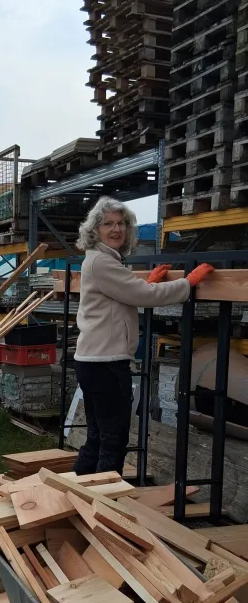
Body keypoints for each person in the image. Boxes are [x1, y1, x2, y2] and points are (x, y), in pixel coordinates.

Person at [73, 196, 214, 476]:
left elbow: (122, 296)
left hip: (93, 362)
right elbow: (144, 296)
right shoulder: (102, 262)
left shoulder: (102, 260)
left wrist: (145, 283)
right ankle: (103, 498)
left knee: (98, 437)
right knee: (113, 441)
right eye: (108, 224)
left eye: (121, 223)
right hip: (106, 364)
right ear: (95, 229)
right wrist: (186, 284)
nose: (116, 229)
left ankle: (77, 492)